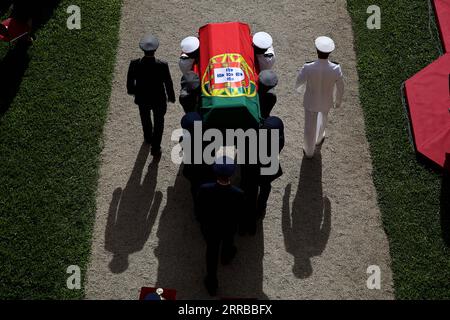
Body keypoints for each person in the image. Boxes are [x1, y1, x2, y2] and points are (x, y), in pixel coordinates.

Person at [196, 156, 245, 296]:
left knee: (211, 254)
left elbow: (199, 209)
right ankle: (226, 257)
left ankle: (212, 284)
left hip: (210, 228)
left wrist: (202, 222)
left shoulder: (205, 189)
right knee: (228, 243)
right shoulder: (238, 194)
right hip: (228, 228)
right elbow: (240, 214)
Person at [295, 36, 344, 159]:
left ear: (317, 51)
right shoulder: (336, 68)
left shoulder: (308, 67)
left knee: (309, 126)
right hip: (326, 101)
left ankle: (309, 150)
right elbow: (341, 87)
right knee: (323, 120)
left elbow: (299, 81)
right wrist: (337, 101)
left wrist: (299, 90)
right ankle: (319, 138)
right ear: (330, 52)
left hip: (311, 102)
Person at [127, 34, 175, 156]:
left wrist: (133, 91)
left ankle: (148, 138)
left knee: (145, 118)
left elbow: (130, 81)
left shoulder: (134, 64)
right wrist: (171, 97)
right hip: (159, 99)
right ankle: (155, 148)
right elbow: (168, 82)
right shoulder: (162, 65)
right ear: (155, 50)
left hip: (142, 98)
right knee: (159, 123)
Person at [256, 116, 285, 218]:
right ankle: (261, 208)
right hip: (269, 168)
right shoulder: (279, 140)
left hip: (256, 166)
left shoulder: (258, 139)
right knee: (265, 187)